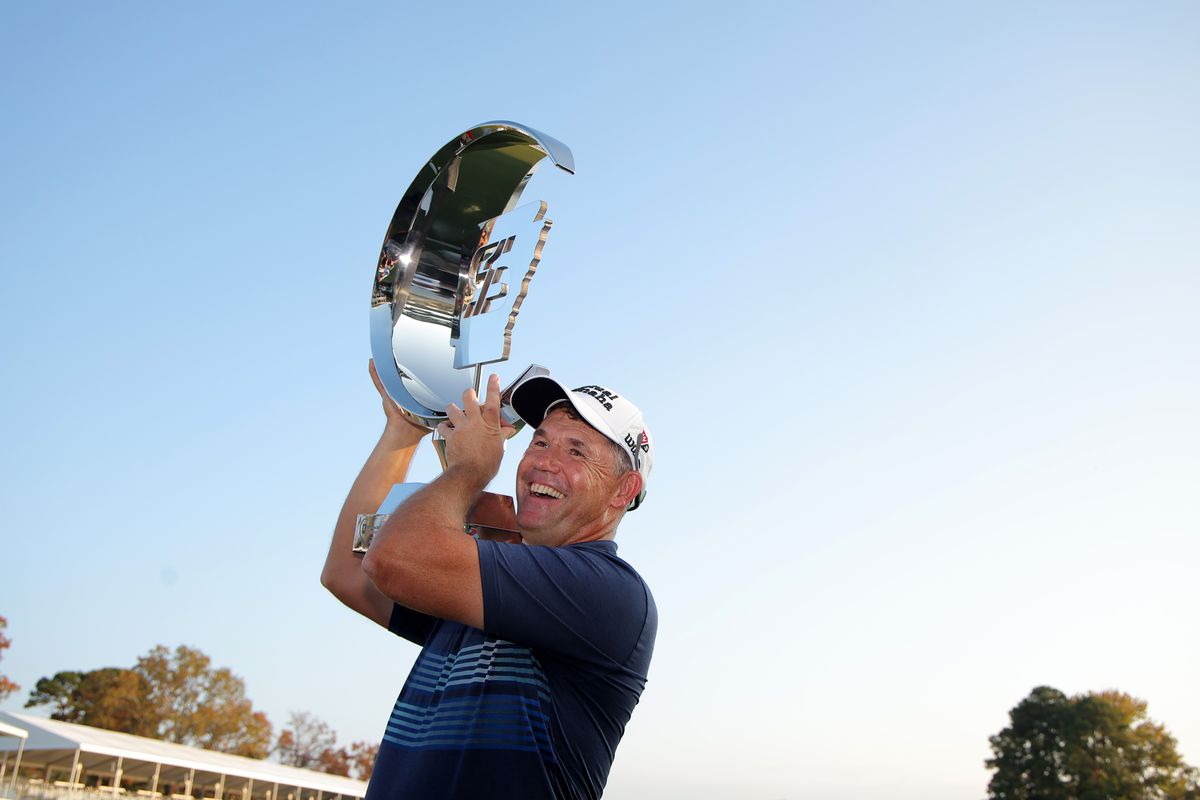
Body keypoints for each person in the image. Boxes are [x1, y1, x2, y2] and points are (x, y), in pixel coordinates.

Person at [321, 362, 657, 800]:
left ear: (622, 491)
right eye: (540, 441)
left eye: (576, 452)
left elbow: (392, 556)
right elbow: (347, 571)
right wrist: (402, 434)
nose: (543, 462)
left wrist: (470, 470)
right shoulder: (480, 581)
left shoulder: (608, 592)